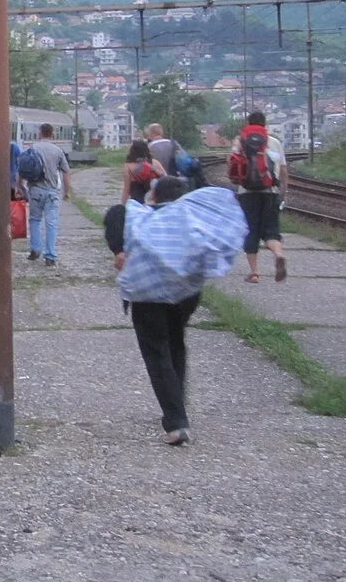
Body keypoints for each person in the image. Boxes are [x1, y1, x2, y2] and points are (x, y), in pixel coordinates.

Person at [104, 177, 246, 446]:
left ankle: (176, 421)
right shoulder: (190, 217)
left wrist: (118, 251)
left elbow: (114, 215)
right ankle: (177, 404)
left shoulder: (139, 216)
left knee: (157, 351)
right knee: (176, 344)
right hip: (186, 293)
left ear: (153, 196)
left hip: (148, 294)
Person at [230, 111, 289, 284]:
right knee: (271, 230)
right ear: (265, 125)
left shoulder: (240, 141)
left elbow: (231, 163)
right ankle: (278, 254)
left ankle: (254, 273)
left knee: (250, 231)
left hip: (247, 193)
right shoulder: (274, 142)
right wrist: (283, 193)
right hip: (270, 192)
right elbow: (284, 172)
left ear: (249, 123)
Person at [23, 123, 71, 266]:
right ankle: (50, 255)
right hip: (51, 191)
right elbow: (66, 173)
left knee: (34, 220)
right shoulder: (58, 151)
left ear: (40, 133)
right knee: (51, 223)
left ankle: (35, 249)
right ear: (53, 134)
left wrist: (20, 186)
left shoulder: (32, 148)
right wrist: (66, 192)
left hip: (35, 190)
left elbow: (23, 167)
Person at [121, 139, 166, 206]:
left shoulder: (128, 167)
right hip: (153, 201)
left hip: (137, 202)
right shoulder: (155, 163)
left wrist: (123, 205)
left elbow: (126, 190)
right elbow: (166, 178)